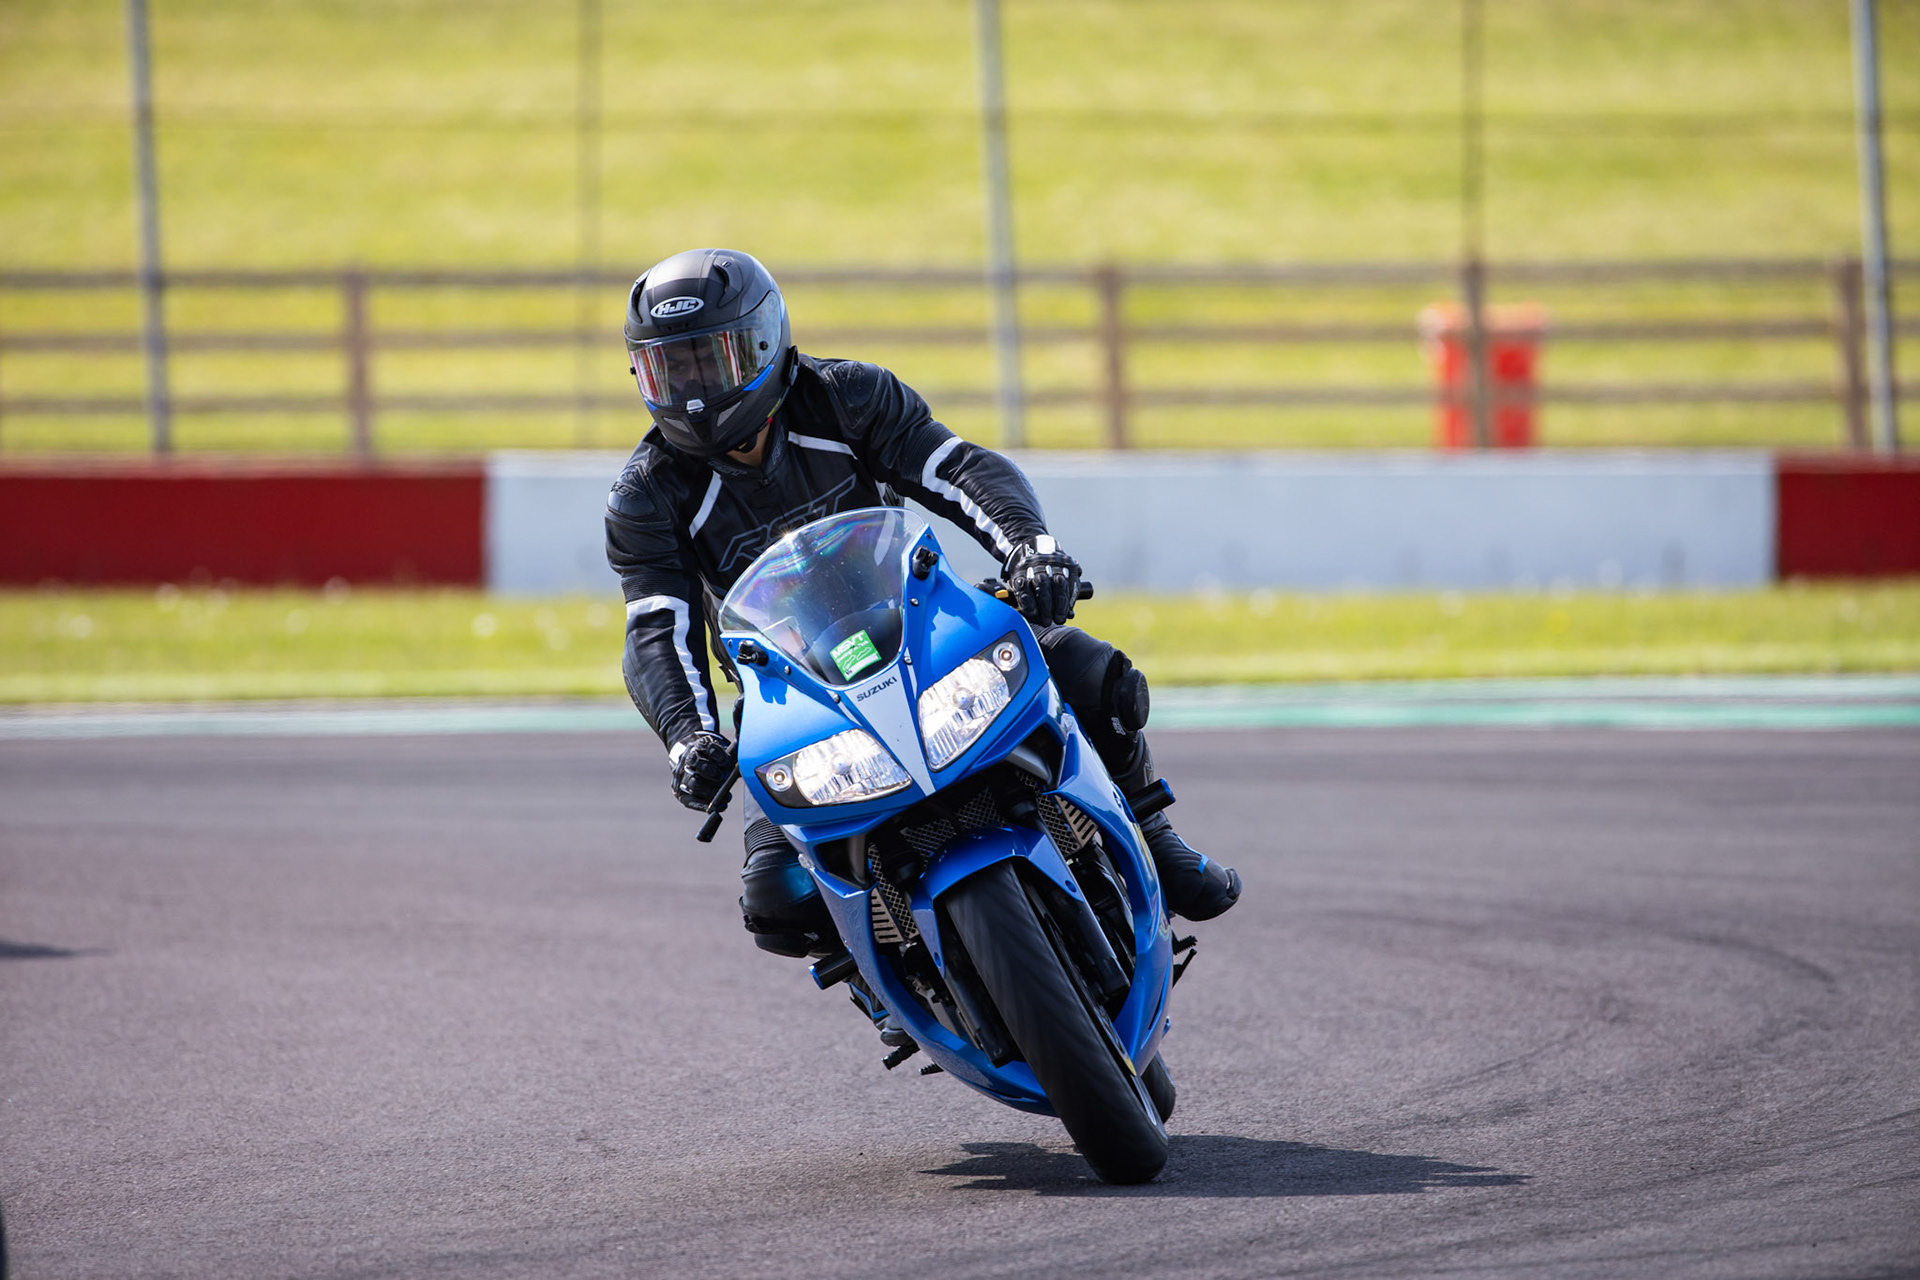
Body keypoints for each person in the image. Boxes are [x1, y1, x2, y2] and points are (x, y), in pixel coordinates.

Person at [605, 247, 1240, 961]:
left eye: (710, 359)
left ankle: (1153, 835)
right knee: (777, 899)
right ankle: (886, 977)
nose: (694, 389)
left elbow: (955, 467)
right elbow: (656, 628)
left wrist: (1029, 547)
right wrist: (688, 737)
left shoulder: (846, 396)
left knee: (1098, 679)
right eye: (672, 368)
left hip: (920, 626)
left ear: (763, 343)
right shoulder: (646, 494)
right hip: (790, 694)